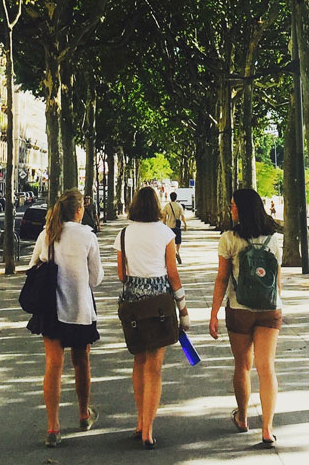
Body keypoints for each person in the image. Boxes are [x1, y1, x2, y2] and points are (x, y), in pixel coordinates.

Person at [27, 189, 104, 448]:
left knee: (53, 365)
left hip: (51, 309)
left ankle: (53, 427)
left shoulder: (47, 234)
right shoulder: (87, 236)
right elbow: (96, 278)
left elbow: (32, 266)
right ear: (79, 210)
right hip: (80, 309)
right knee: (81, 362)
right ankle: (83, 414)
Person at [114, 186, 189, 449]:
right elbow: (172, 273)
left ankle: (138, 421)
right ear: (156, 205)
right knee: (154, 367)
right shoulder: (166, 233)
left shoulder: (124, 234)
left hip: (134, 304)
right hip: (160, 305)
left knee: (139, 361)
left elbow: (121, 274)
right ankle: (148, 429)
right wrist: (183, 309)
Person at [209, 188, 282, 446]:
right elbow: (276, 278)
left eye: (232, 206)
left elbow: (222, 278)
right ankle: (267, 428)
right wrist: (277, 305)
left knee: (242, 365)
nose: (231, 209)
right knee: (267, 367)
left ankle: (242, 417)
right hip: (269, 309)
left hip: (239, 309)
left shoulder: (229, 238)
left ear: (240, 209)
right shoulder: (272, 238)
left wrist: (214, 312)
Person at [161, 192, 186, 264]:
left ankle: (173, 252)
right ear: (176, 197)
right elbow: (182, 216)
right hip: (177, 226)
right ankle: (177, 251)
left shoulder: (167, 206)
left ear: (170, 197)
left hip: (169, 226)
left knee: (170, 241)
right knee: (178, 241)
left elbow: (164, 216)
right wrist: (185, 224)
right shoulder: (179, 206)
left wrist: (164, 224)